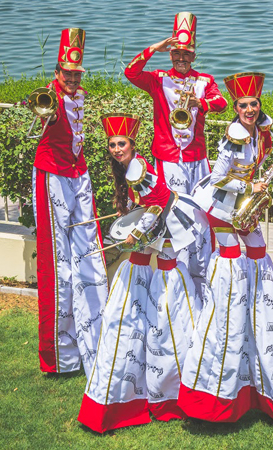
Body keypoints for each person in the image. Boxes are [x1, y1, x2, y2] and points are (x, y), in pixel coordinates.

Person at [178, 72, 273, 427]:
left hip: (242, 204)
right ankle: (220, 372)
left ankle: (258, 340)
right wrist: (250, 183)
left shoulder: (258, 131)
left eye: (254, 104)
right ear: (235, 107)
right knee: (231, 269)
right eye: (243, 105)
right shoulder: (233, 136)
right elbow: (217, 178)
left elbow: (267, 145)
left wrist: (256, 180)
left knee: (259, 257)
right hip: (222, 208)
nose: (249, 109)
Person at [78, 113, 208, 432]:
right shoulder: (131, 166)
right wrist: (132, 220)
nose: (116, 148)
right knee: (151, 321)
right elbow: (147, 207)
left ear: (132, 144)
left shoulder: (137, 168)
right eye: (112, 144)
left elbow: (156, 209)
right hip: (158, 243)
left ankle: (168, 395)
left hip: (168, 241)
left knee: (163, 321)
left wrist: (135, 234)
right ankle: (159, 394)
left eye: (121, 143)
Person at [124, 12, 228, 295]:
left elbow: (223, 103)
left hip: (197, 159)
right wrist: (153, 48)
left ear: (193, 57)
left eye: (186, 54)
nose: (181, 59)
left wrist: (200, 102)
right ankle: (177, 284)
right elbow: (130, 72)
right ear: (170, 55)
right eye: (176, 54)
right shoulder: (158, 79)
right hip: (168, 159)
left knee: (202, 217)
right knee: (174, 219)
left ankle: (203, 281)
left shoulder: (204, 80)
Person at [32, 28, 108, 376]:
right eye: (68, 73)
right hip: (53, 175)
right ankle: (60, 356)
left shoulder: (80, 95)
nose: (74, 78)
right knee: (58, 266)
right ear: (57, 73)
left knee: (90, 259)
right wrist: (44, 108)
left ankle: (95, 344)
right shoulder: (51, 95)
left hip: (79, 174)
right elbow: (36, 107)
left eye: (78, 73)